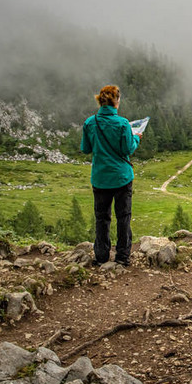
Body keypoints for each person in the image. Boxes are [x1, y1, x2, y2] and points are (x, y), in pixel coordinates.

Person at [81, 85, 141, 266]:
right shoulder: (122, 124)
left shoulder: (90, 123)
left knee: (102, 218)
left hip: (100, 179)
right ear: (116, 101)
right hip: (122, 178)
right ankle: (122, 257)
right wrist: (136, 136)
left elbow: (85, 149)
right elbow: (127, 149)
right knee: (123, 217)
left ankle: (101, 256)